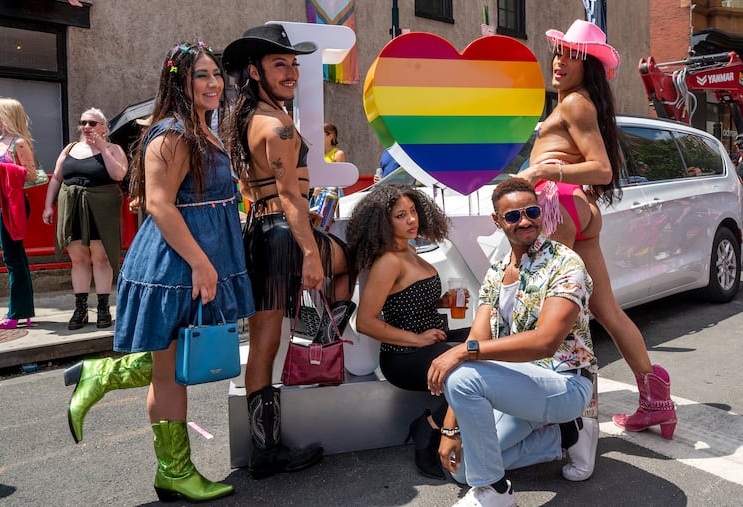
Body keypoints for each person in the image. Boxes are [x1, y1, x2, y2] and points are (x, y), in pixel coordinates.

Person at [62, 41, 254, 502]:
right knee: (170, 368)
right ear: (178, 82)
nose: (213, 83)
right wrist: (201, 262)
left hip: (191, 258)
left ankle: (167, 463)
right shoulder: (173, 132)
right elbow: (159, 204)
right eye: (200, 76)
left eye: (215, 75)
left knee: (169, 364)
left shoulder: (202, 128)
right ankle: (172, 467)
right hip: (176, 264)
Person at [516, 19, 676, 440]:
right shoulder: (578, 101)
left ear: (587, 66)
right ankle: (656, 400)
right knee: (605, 310)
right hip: (574, 207)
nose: (559, 62)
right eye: (557, 53)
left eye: (571, 56)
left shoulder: (573, 104)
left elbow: (602, 169)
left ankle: (564, 413)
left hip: (557, 205)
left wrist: (542, 170)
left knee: (550, 308)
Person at [222, 23, 354, 479]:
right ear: (255, 71)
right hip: (282, 231)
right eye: (280, 63)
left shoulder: (247, 118)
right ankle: (335, 335)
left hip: (262, 229)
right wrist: (311, 254)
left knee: (264, 341)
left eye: (294, 64)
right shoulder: (276, 124)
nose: (291, 72)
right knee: (347, 262)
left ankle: (265, 450)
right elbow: (292, 197)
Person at [427, 177, 598, 507]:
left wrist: (463, 351)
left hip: (564, 385)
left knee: (461, 374)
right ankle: (566, 435)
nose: (524, 221)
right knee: (461, 469)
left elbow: (545, 342)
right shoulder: (496, 272)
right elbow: (478, 337)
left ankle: (495, 491)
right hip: (518, 388)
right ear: (497, 220)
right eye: (512, 216)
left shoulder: (564, 263)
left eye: (531, 211)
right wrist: (450, 430)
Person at [345, 184, 470, 480]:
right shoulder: (388, 261)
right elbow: (366, 321)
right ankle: (428, 427)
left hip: (432, 343)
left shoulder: (410, 250)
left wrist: (444, 302)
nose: (412, 220)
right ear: (383, 222)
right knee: (478, 361)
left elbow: (410, 301)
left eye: (413, 211)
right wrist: (418, 339)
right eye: (401, 215)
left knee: (492, 341)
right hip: (405, 357)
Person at [42, 108, 127, 330]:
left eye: (92, 123)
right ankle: (80, 309)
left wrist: (103, 150)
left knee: (101, 258)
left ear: (103, 127)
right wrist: (47, 206)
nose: (87, 127)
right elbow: (56, 178)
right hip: (72, 208)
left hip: (100, 208)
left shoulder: (113, 148)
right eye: (83, 122)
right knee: (78, 259)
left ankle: (103, 308)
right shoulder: (70, 148)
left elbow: (119, 174)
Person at [0, 97, 37, 329]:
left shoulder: (19, 142)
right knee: (15, 258)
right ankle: (23, 311)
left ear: (4, 115)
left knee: (13, 259)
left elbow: (34, 175)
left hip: (13, 205)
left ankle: (16, 312)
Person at [310, 121, 346, 206]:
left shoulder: (338, 154)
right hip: (318, 194)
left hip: (332, 196)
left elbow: (340, 178)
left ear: (330, 136)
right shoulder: (318, 155)